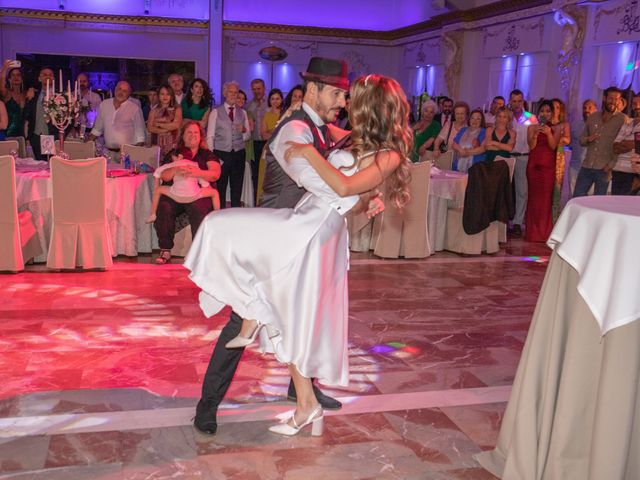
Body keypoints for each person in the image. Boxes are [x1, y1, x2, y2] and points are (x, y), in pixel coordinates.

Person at [184, 71, 410, 437]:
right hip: (290, 224)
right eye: (338, 94)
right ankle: (214, 404)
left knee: (292, 317)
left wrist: (363, 196)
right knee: (265, 307)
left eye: (349, 98)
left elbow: (344, 184)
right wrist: (359, 195)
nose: (343, 103)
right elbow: (327, 180)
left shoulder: (340, 136)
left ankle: (304, 398)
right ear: (315, 90)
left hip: (310, 233)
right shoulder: (295, 127)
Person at [153, 121, 221, 264]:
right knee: (164, 207)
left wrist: (197, 172)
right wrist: (176, 169)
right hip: (175, 193)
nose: (192, 135)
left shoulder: (206, 154)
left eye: (196, 132)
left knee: (199, 207)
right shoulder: (175, 154)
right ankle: (165, 249)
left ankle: (198, 251)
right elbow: (163, 176)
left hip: (197, 193)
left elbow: (215, 174)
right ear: (182, 136)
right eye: (189, 132)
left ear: (200, 136)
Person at [574, 86, 627, 197]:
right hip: (587, 166)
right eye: (611, 98)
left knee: (598, 202)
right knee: (577, 196)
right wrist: (588, 139)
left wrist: (611, 165)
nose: (613, 102)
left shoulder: (623, 119)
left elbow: (623, 146)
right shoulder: (593, 117)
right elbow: (581, 140)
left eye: (616, 99)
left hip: (604, 169)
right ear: (604, 98)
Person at [206, 81, 251, 208]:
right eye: (231, 92)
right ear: (225, 93)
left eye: (236, 92)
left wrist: (243, 130)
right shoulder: (215, 112)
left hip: (238, 154)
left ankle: (235, 216)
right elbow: (210, 136)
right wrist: (212, 157)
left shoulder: (243, 113)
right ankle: (219, 215)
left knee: (237, 188)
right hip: (221, 154)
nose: (234, 94)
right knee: (220, 187)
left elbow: (247, 137)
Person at [146, 153, 220, 224]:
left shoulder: (173, 165)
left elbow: (157, 172)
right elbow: (203, 183)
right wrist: (209, 190)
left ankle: (153, 214)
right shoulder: (195, 165)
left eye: (173, 157)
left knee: (158, 190)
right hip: (193, 196)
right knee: (215, 193)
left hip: (176, 195)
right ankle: (217, 215)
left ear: (179, 156)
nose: (172, 159)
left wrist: (157, 183)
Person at [524, 100, 561, 243]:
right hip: (533, 166)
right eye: (542, 111)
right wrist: (535, 134)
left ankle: (544, 233)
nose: (545, 114)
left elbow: (553, 146)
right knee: (533, 199)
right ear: (538, 113)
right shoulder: (532, 127)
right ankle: (531, 233)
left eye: (548, 111)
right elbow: (531, 146)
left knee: (545, 200)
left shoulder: (557, 128)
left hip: (547, 168)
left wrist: (549, 133)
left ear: (552, 113)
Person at [88, 81, 147, 161]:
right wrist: (85, 145)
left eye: (125, 91)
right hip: (108, 154)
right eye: (119, 89)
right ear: (115, 89)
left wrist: (132, 155)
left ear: (129, 94)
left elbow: (141, 137)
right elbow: (97, 129)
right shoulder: (104, 104)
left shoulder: (135, 109)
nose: (121, 92)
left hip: (126, 155)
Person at [508, 89, 537, 237]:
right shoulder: (505, 117)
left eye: (519, 101)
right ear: (510, 101)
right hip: (507, 156)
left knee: (521, 191)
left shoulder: (530, 118)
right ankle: (505, 221)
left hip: (524, 157)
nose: (517, 104)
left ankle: (518, 222)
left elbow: (535, 139)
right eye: (514, 101)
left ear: (523, 101)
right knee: (506, 190)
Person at [25, 67, 56, 160]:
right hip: (36, 136)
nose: (48, 77)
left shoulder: (59, 96)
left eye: (50, 75)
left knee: (51, 165)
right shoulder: (33, 95)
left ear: (53, 78)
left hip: (51, 136)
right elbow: (27, 116)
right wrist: (28, 138)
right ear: (39, 78)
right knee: (38, 166)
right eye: (44, 74)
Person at [612, 92, 640, 195]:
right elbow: (615, 147)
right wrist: (631, 143)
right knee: (614, 203)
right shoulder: (627, 122)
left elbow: (637, 145)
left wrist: (624, 143)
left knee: (624, 206)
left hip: (634, 173)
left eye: (639, 103)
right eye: (634, 103)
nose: (636, 106)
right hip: (618, 170)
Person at [147, 84, 182, 157]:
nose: (165, 97)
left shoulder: (177, 109)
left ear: (171, 96)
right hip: (156, 145)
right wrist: (166, 129)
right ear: (159, 96)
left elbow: (176, 125)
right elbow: (150, 128)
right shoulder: (153, 111)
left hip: (173, 145)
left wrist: (159, 125)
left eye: (168, 94)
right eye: (162, 94)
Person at [0, 61, 27, 140]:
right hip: (8, 134)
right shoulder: (7, 93)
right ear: (9, 79)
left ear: (22, 78)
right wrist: (5, 69)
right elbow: (1, 86)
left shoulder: (26, 94)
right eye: (13, 75)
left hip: (22, 134)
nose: (16, 77)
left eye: (18, 75)